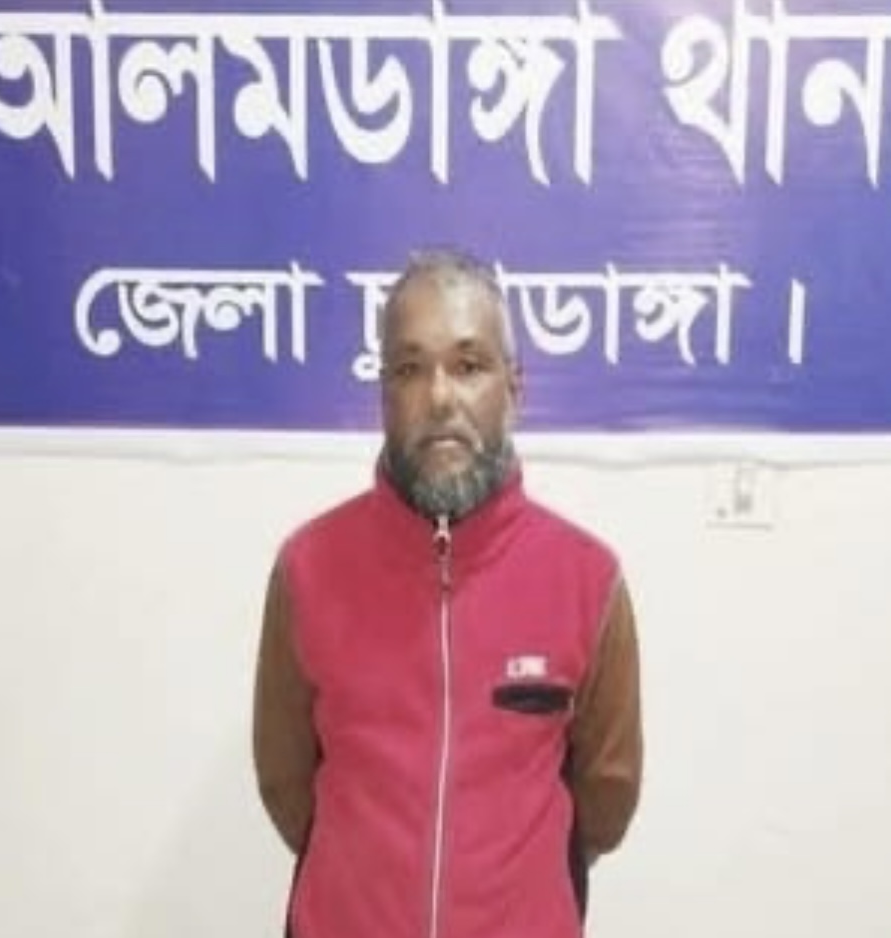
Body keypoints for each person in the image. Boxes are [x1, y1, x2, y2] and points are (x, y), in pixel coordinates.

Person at [253, 248, 643, 938]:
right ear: (383, 394)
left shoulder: (587, 580)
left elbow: (604, 805)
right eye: (410, 369)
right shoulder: (307, 569)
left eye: (468, 366)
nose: (439, 397)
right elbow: (288, 785)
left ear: (514, 387)